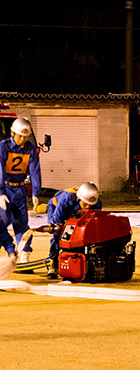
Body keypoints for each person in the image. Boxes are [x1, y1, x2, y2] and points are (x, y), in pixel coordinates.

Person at [0, 118, 42, 268]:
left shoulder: (29, 149)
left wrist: (36, 193)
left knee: (21, 224)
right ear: (12, 133)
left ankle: (24, 255)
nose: (23, 139)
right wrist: (0, 192)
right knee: (2, 223)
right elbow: (0, 170)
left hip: (20, 190)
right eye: (20, 136)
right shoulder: (3, 147)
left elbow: (35, 170)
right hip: (5, 189)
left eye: (26, 136)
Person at [45, 182, 102, 279]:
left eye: (90, 204)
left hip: (74, 214)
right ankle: (53, 264)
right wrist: (58, 227)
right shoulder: (65, 201)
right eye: (85, 204)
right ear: (79, 198)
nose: (88, 207)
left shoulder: (96, 203)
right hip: (56, 208)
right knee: (58, 234)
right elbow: (56, 221)